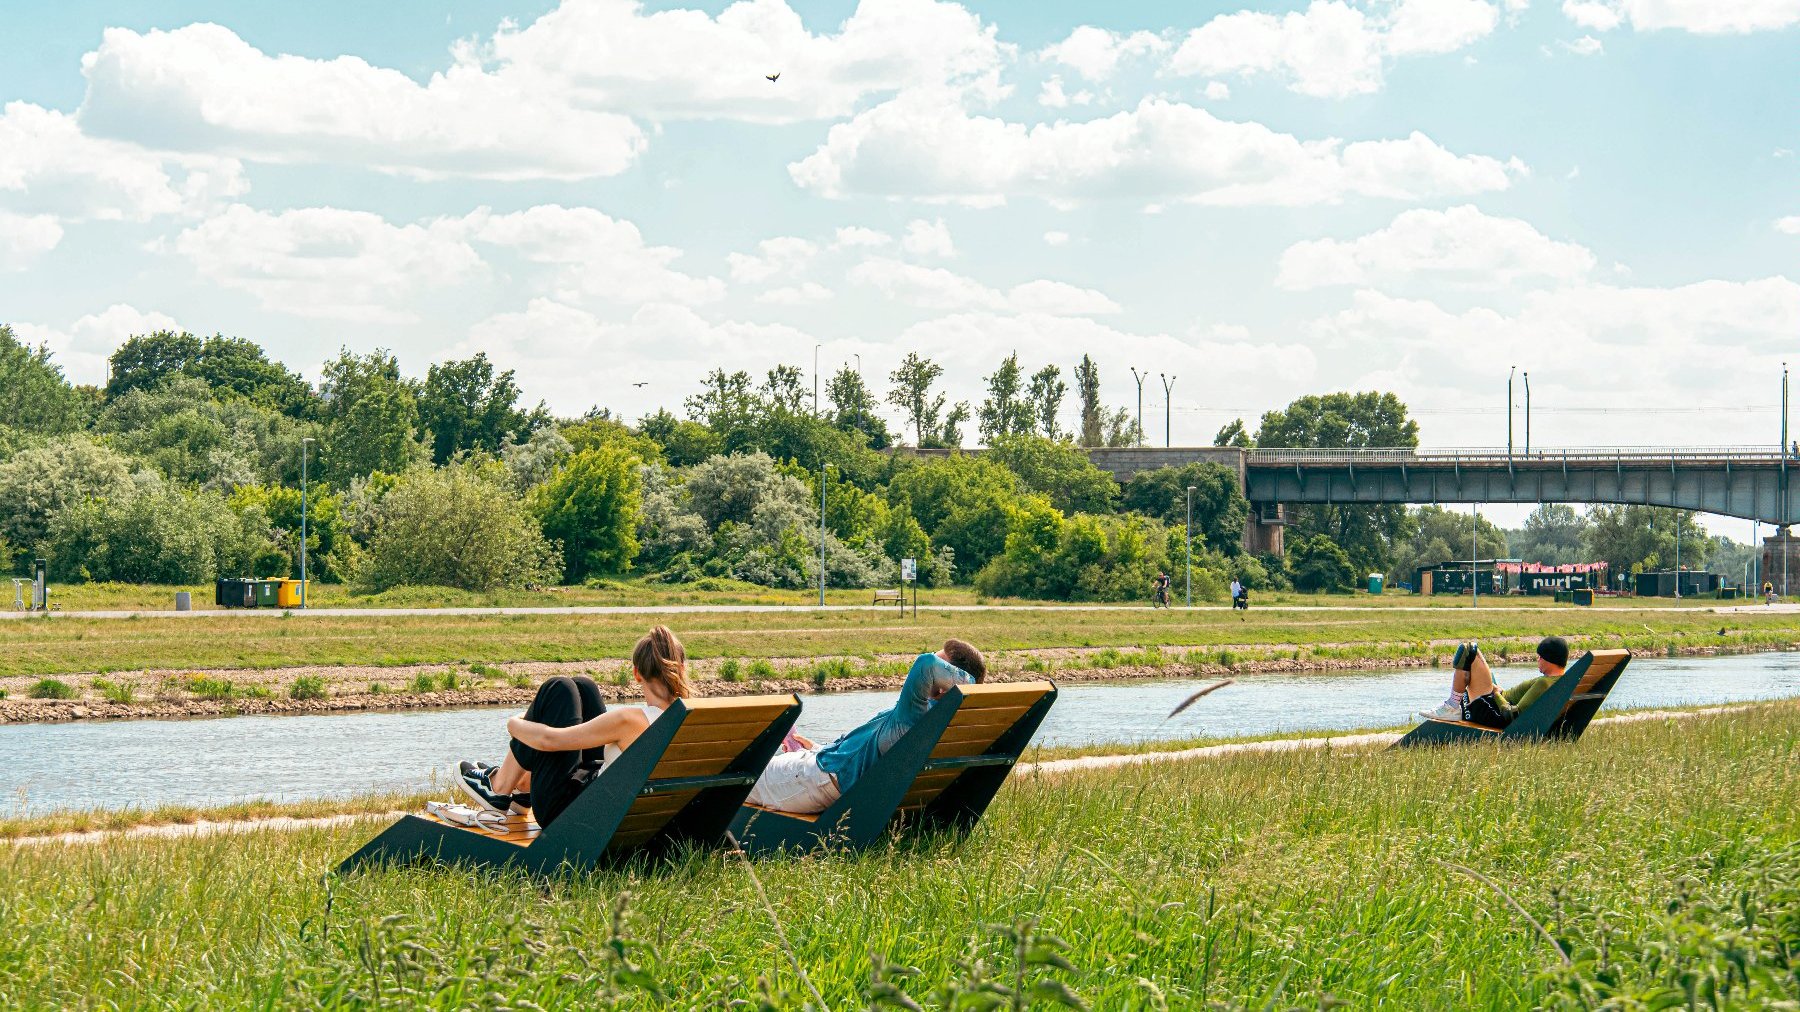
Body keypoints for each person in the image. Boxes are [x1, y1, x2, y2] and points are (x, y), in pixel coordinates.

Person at [454, 626, 692, 826]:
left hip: (574, 814)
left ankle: (500, 786)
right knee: (583, 687)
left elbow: (549, 740)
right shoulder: (692, 716)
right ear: (681, 669)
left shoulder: (630, 720)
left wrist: (514, 723)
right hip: (634, 809)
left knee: (558, 689)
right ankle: (523, 787)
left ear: (637, 674)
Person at [745, 639, 985, 815]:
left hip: (816, 779)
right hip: (823, 768)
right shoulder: (942, 722)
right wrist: (819, 748)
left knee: (736, 777)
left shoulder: (914, 715)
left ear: (945, 681)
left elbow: (925, 664)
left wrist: (961, 683)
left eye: (939, 659)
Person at [1419, 636, 1569, 728]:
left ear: (1550, 659)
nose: (1538, 660)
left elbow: (1513, 715)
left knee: (1468, 650)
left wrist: (1496, 693)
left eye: (1540, 657)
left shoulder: (1545, 683)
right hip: (1497, 705)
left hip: (1493, 713)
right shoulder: (1560, 682)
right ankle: (1454, 706)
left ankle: (1452, 707)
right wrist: (1499, 691)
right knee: (1485, 672)